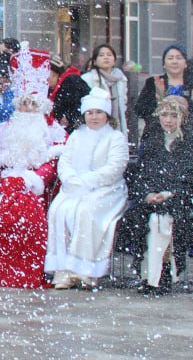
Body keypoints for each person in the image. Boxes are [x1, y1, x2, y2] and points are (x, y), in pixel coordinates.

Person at [0, 47, 66, 289]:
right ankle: (0, 270)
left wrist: (31, 181)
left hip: (35, 187)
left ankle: (26, 271)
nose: (28, 109)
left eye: (33, 104)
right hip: (5, 182)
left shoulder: (52, 131)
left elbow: (52, 164)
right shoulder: (6, 128)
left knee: (26, 210)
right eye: (24, 104)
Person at [124, 95, 193, 294]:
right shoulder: (153, 141)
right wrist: (147, 193)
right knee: (146, 219)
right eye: (165, 115)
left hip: (181, 197)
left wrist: (167, 193)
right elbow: (142, 172)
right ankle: (151, 273)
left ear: (182, 117)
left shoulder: (192, 143)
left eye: (174, 115)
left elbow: (192, 177)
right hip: (151, 197)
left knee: (161, 221)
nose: (169, 120)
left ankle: (159, 275)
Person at [44, 90, 130, 289]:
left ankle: (84, 270)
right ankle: (63, 270)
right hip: (74, 187)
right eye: (90, 112)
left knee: (85, 211)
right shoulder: (77, 135)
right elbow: (65, 161)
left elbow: (115, 168)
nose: (94, 117)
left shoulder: (115, 137)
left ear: (106, 115)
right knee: (59, 210)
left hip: (107, 189)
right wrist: (70, 178)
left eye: (98, 112)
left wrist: (88, 180)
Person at [135, 44, 193, 139]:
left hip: (190, 136)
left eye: (179, 58)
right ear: (164, 64)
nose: (174, 61)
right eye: (170, 58)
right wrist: (159, 100)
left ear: (185, 63)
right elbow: (140, 111)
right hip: (157, 136)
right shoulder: (153, 82)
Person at [82, 43, 129, 137]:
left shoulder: (121, 79)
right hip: (94, 126)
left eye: (109, 54)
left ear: (114, 60)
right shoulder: (87, 79)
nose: (106, 57)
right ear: (94, 61)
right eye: (101, 55)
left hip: (117, 126)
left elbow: (123, 104)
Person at [49, 55, 92, 133]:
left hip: (79, 132)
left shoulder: (71, 81)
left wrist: (68, 117)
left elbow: (83, 104)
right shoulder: (52, 89)